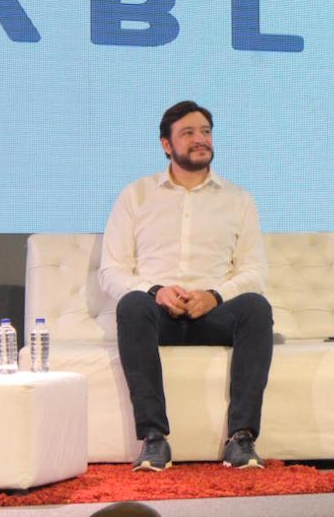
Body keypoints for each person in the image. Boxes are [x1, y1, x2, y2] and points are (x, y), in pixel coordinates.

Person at [99, 101, 273, 471]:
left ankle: (241, 439)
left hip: (212, 314)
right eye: (189, 133)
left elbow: (254, 270)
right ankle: (153, 440)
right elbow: (111, 270)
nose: (200, 140)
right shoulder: (136, 196)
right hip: (157, 314)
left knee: (257, 307)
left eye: (206, 132)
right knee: (132, 305)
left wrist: (214, 297)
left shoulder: (238, 199)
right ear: (166, 144)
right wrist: (155, 290)